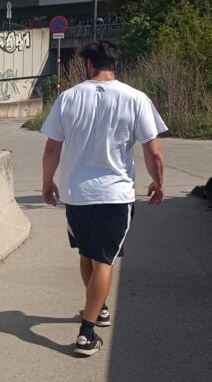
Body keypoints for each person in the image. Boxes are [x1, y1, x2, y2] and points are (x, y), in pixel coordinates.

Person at [40, 41, 166, 357]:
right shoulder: (136, 98)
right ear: (115, 65)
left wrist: (47, 182)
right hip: (115, 194)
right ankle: (86, 333)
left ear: (88, 65)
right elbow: (153, 150)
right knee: (104, 260)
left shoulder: (68, 98)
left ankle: (99, 307)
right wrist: (158, 183)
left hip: (77, 194)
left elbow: (52, 148)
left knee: (87, 255)